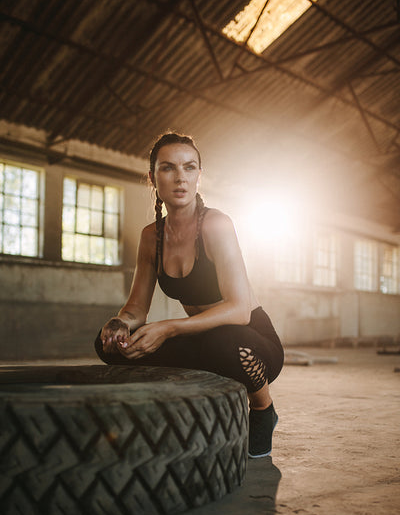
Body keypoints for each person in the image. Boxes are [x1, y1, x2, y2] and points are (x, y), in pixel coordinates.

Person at [95, 132, 284, 458]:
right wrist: (119, 324)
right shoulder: (150, 236)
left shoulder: (216, 224)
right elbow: (136, 307)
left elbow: (239, 310)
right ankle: (166, 411)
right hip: (203, 340)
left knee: (225, 342)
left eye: (189, 167)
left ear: (199, 176)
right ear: (153, 177)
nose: (180, 177)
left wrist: (167, 328)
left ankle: (263, 410)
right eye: (168, 168)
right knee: (109, 346)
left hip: (250, 343)